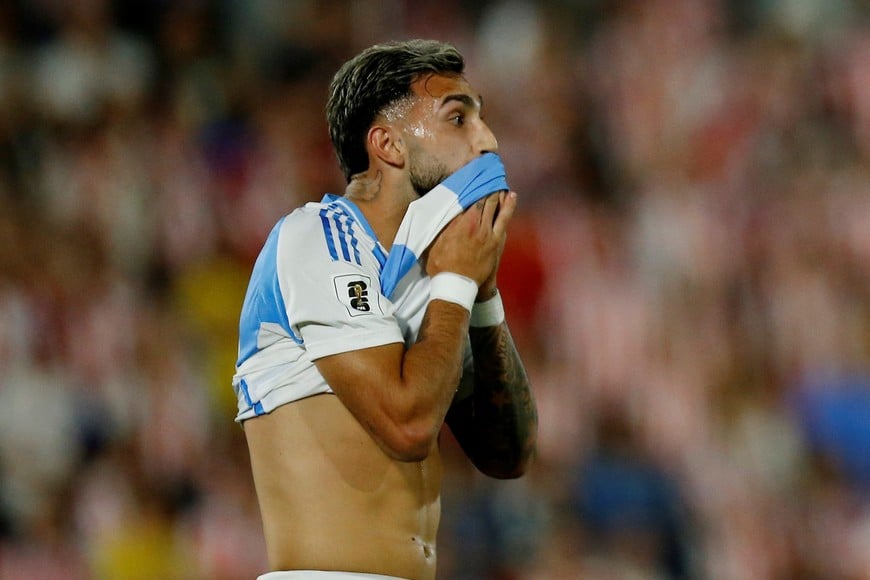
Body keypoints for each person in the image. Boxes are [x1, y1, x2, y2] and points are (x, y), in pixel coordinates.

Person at [232, 39, 538, 580]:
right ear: (388, 144)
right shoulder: (315, 239)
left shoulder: (434, 273)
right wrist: (457, 281)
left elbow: (507, 455)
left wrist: (482, 295)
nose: (488, 141)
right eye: (458, 119)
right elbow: (408, 424)